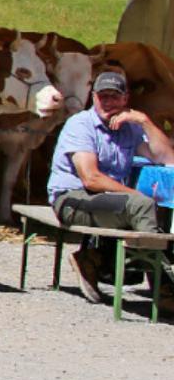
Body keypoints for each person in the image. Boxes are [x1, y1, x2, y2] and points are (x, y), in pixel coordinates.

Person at [45, 68, 174, 303]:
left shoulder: (130, 127)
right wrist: (135, 196)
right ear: (93, 97)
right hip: (72, 199)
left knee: (155, 210)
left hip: (107, 202)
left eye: (114, 96)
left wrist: (143, 121)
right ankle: (164, 289)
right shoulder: (80, 125)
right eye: (102, 96)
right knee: (142, 206)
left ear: (125, 99)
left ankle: (94, 258)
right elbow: (90, 178)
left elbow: (167, 158)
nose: (108, 102)